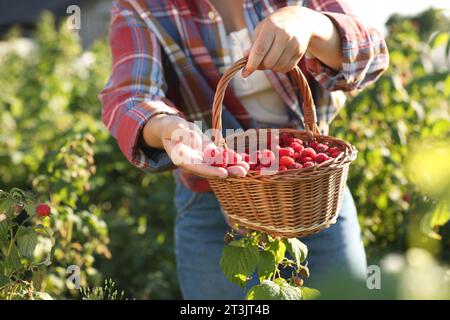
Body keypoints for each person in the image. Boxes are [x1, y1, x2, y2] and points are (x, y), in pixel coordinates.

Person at [100, 0, 389, 299]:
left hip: (312, 197)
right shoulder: (141, 6)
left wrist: (311, 24)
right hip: (213, 200)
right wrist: (169, 129)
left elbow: (374, 54)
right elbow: (130, 95)